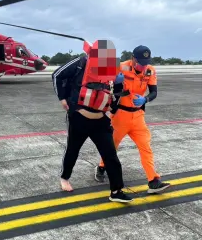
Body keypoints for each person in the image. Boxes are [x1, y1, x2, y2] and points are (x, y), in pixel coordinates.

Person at [52, 40, 133, 203]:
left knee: (110, 155)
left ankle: (116, 191)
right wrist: (62, 98)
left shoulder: (111, 70)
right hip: (79, 118)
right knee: (73, 150)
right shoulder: (81, 63)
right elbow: (57, 75)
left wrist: (117, 91)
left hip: (100, 122)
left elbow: (115, 97)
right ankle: (64, 177)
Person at [94, 45, 171, 194]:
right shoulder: (120, 67)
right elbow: (101, 82)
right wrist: (116, 82)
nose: (143, 66)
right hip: (120, 115)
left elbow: (154, 92)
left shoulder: (150, 70)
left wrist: (145, 99)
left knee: (146, 147)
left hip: (138, 116)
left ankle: (153, 181)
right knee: (112, 146)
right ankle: (102, 167)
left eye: (146, 62)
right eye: (141, 62)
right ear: (133, 58)